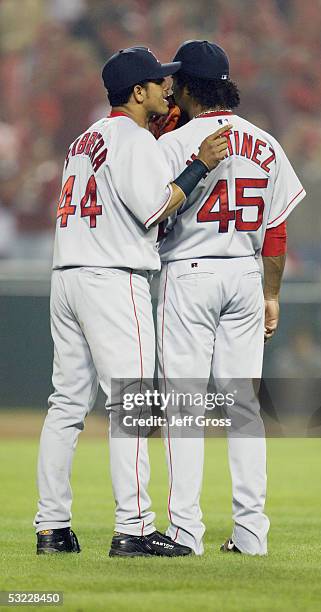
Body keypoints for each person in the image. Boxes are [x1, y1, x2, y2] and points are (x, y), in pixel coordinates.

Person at [34, 46, 230, 557]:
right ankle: (136, 528)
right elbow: (155, 208)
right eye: (159, 82)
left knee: (66, 406)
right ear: (137, 92)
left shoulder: (84, 140)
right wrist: (199, 167)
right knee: (133, 405)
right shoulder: (132, 138)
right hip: (112, 278)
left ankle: (52, 527)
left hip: (67, 277)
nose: (170, 88)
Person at [155, 40, 306, 556]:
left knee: (184, 408)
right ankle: (250, 535)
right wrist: (272, 294)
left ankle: (184, 533)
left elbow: (148, 216)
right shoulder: (265, 141)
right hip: (246, 275)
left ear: (190, 86)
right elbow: (278, 231)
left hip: (190, 274)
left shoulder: (172, 143)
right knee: (243, 408)